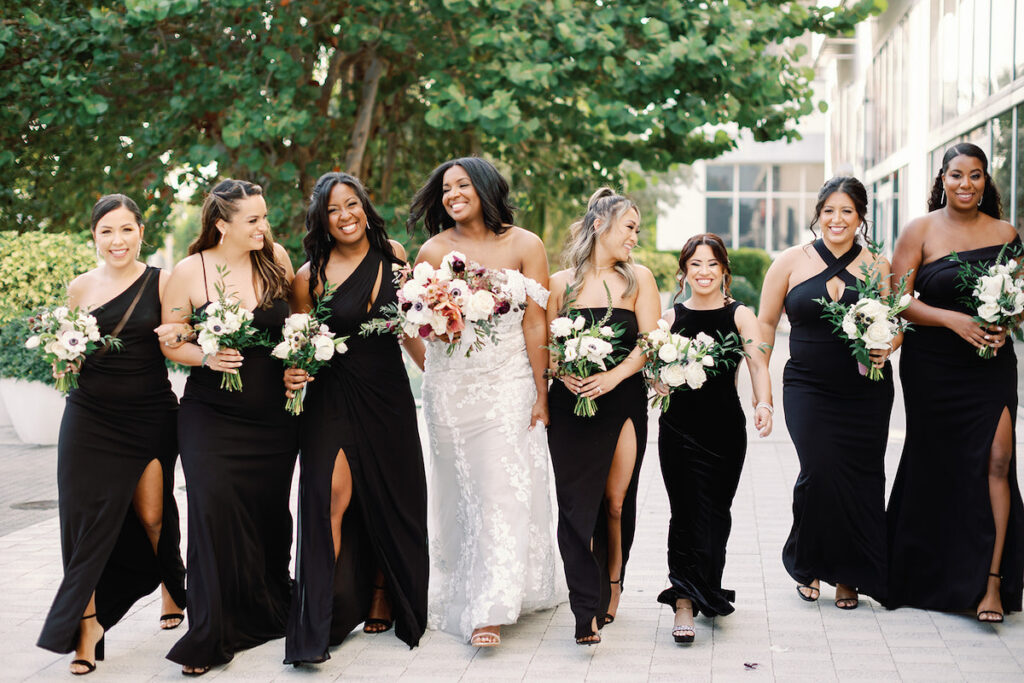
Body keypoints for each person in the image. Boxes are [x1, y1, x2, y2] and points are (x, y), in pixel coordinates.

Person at [408, 157, 561, 647]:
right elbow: (411, 322)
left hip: (508, 383)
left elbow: (536, 322)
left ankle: (490, 609)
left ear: (486, 187)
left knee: (501, 489)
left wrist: (541, 391)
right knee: (458, 493)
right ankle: (463, 586)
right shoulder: (432, 249)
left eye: (462, 184)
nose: (452, 194)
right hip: (451, 389)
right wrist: (433, 367)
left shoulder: (525, 244)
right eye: (445, 188)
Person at [36, 194, 187, 675]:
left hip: (148, 413)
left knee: (152, 515)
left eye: (126, 229)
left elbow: (178, 342)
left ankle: (172, 584)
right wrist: (62, 355)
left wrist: (185, 340)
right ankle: (87, 630)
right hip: (88, 415)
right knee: (81, 524)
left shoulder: (163, 282)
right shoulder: (79, 288)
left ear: (141, 232)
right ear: (94, 237)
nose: (117, 240)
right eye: (107, 231)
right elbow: (69, 351)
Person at [282, 172, 429, 664]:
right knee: (330, 499)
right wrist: (294, 373)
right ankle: (318, 617)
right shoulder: (309, 275)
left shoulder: (397, 256)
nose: (345, 216)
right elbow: (299, 344)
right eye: (333, 210)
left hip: (388, 393)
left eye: (352, 205)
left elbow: (407, 327)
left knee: (390, 495)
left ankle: (384, 595)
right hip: (332, 397)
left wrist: (438, 367)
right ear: (322, 220)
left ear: (365, 206)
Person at [161, 179, 297, 675]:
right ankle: (211, 629)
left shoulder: (276, 258)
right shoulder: (188, 270)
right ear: (222, 224)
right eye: (253, 220)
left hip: (274, 418)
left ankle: (265, 611)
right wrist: (206, 355)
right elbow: (171, 341)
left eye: (264, 217)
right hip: (210, 414)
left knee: (268, 514)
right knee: (213, 510)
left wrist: (297, 364)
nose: (264, 227)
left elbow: (297, 325)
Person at [887, 143, 1022, 620]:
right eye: (957, 175)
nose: (967, 184)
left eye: (976, 175)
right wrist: (952, 320)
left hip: (991, 364)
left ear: (987, 181)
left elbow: (1020, 296)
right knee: (937, 463)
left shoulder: (1007, 233)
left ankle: (991, 585)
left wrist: (1008, 318)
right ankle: (932, 574)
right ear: (941, 179)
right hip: (933, 366)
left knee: (999, 460)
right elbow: (898, 301)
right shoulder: (920, 230)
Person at [758, 177, 895, 610]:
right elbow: (764, 323)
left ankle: (849, 574)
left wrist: (885, 348)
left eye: (847, 212)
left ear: (861, 217)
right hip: (806, 385)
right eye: (829, 211)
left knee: (860, 477)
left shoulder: (877, 265)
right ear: (817, 214)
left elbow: (893, 327)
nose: (837, 220)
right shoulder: (789, 262)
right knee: (818, 471)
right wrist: (760, 378)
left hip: (865, 389)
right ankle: (809, 560)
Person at [545, 188, 659, 645]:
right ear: (599, 226)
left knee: (613, 503)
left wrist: (613, 378)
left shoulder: (639, 280)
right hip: (570, 405)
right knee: (576, 507)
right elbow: (546, 346)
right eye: (629, 227)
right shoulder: (560, 283)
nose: (635, 235)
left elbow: (648, 343)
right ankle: (583, 608)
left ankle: (613, 581)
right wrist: (562, 372)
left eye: (636, 228)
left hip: (622, 401)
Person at [654, 233, 772, 643]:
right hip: (678, 430)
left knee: (716, 514)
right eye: (695, 265)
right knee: (684, 513)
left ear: (724, 270)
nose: (703, 272)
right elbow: (650, 369)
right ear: (684, 272)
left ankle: (707, 586)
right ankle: (683, 601)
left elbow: (758, 365)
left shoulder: (740, 315)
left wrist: (764, 405)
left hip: (724, 431)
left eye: (711, 265)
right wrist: (658, 381)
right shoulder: (669, 319)